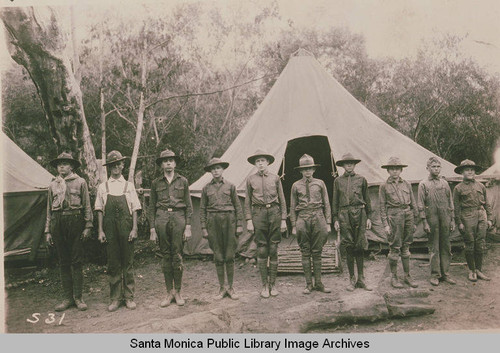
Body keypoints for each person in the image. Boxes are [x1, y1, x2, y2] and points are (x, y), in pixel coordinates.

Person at [45, 152, 92, 311]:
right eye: (59, 164)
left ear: (72, 166)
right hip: (58, 222)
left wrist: (87, 226)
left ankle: (78, 298)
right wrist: (48, 231)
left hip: (75, 221)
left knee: (76, 261)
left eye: (65, 163)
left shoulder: (80, 182)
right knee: (63, 261)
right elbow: (49, 210)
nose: (62, 166)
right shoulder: (52, 184)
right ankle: (67, 298)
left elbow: (86, 206)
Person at [95, 151, 142, 311]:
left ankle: (129, 297)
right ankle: (115, 298)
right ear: (109, 168)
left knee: (128, 263)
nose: (116, 167)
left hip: (126, 227)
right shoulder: (103, 187)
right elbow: (99, 210)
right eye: (112, 165)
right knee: (113, 263)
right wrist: (100, 231)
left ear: (123, 165)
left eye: (118, 164)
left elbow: (135, 208)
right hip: (109, 229)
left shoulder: (129, 186)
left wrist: (134, 228)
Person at [148, 149, 193, 306]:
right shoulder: (155, 183)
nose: (168, 163)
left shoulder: (183, 181)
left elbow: (188, 205)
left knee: (177, 255)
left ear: (174, 163)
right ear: (161, 164)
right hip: (161, 218)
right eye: (165, 161)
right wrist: (152, 229)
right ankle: (169, 292)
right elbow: (151, 207)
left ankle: (178, 292)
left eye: (171, 160)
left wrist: (188, 226)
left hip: (178, 218)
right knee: (165, 255)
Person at [244, 149, 287, 298]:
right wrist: (249, 220)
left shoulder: (275, 178)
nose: (260, 163)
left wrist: (283, 219)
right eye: (258, 161)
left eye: (263, 160)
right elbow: (247, 201)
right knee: (262, 250)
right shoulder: (250, 180)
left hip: (274, 213)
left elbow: (282, 200)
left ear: (267, 162)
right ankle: (264, 286)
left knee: (273, 248)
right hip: (258, 214)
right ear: (255, 164)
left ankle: (273, 284)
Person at [200, 158, 244, 300]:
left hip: (229, 221)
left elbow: (238, 206)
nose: (215, 171)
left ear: (222, 169)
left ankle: (230, 288)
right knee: (218, 256)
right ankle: (221, 288)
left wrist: (239, 225)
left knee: (230, 255)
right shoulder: (206, 188)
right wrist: (204, 228)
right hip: (213, 222)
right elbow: (202, 210)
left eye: (218, 168)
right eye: (213, 169)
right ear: (210, 172)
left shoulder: (230, 186)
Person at [290, 154, 332, 294]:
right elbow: (292, 206)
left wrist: (328, 222)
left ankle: (319, 283)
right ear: (301, 171)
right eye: (304, 169)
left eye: (310, 169)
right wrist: (294, 225)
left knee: (317, 251)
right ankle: (309, 284)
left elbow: (326, 203)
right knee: (305, 252)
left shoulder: (320, 183)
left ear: (314, 170)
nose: (307, 171)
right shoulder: (296, 186)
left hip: (318, 216)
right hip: (303, 217)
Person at [332, 153, 373, 292]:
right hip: (344, 214)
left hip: (360, 213)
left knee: (360, 245)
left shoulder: (362, 179)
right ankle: (351, 279)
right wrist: (336, 219)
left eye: (351, 163)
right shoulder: (338, 181)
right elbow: (335, 201)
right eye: (346, 163)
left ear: (354, 165)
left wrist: (368, 217)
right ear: (343, 166)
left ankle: (361, 278)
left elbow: (367, 199)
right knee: (349, 246)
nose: (349, 165)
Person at [379, 157, 419, 288]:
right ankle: (394, 277)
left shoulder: (406, 184)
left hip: (408, 215)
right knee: (395, 247)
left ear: (401, 170)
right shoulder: (384, 186)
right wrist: (385, 225)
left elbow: (413, 203)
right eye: (392, 169)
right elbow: (382, 206)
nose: (395, 171)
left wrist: (414, 221)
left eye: (397, 169)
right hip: (394, 217)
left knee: (406, 247)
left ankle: (407, 276)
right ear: (388, 171)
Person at [417, 157, 456, 286]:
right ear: (427, 168)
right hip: (432, 219)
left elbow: (450, 202)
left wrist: (452, 220)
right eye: (433, 167)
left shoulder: (445, 183)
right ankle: (435, 275)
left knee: (446, 246)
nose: (436, 169)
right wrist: (425, 222)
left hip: (445, 218)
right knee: (434, 247)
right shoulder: (423, 184)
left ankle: (446, 274)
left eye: (438, 167)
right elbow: (420, 205)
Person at [453, 159, 493, 282]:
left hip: (481, 214)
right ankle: (471, 270)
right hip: (467, 216)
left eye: (472, 170)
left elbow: (487, 203)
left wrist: (489, 218)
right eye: (467, 170)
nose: (470, 172)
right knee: (469, 243)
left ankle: (479, 270)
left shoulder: (480, 186)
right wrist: (459, 222)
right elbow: (456, 207)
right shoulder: (458, 188)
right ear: (462, 172)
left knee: (480, 243)